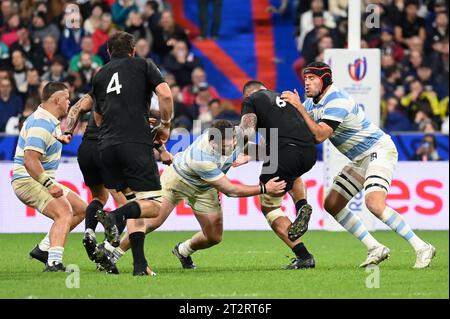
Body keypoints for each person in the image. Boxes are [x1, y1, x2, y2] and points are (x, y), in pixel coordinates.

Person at [281, 61, 436, 269]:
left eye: (311, 78)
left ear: (324, 79)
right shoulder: (311, 105)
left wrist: (298, 107)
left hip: (378, 150)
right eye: (305, 78)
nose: (306, 83)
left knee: (374, 203)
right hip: (359, 158)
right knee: (332, 204)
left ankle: (422, 246)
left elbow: (319, 135)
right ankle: (375, 247)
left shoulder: (336, 100)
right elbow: (301, 132)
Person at [100, 120, 286, 270]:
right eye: (221, 147)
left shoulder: (239, 134)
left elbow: (261, 146)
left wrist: (249, 154)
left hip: (204, 188)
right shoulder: (202, 157)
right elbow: (231, 190)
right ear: (211, 141)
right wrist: (264, 188)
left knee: (214, 237)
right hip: (178, 179)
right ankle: (111, 252)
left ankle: (183, 250)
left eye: (230, 145)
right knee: (153, 220)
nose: (226, 149)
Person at [91, 31, 173, 276]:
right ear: (133, 50)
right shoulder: (143, 65)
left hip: (107, 147)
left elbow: (97, 116)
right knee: (154, 207)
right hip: (135, 144)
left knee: (135, 202)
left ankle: (139, 265)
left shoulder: (99, 74)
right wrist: (165, 124)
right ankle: (115, 216)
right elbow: (166, 94)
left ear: (108, 52)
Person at [237, 80, 317, 269]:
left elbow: (247, 131)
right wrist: (252, 153)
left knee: (270, 208)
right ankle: (302, 206)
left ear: (247, 95)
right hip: (309, 153)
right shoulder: (284, 99)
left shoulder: (252, 99)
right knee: (292, 173)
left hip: (284, 154)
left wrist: (240, 147)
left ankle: (304, 256)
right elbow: (274, 145)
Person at [11, 82, 87, 272]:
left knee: (80, 209)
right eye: (67, 98)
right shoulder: (42, 124)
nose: (69, 102)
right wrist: (48, 183)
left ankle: (43, 249)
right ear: (57, 100)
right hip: (28, 180)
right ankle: (54, 263)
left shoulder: (48, 121)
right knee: (64, 212)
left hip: (36, 179)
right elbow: (30, 160)